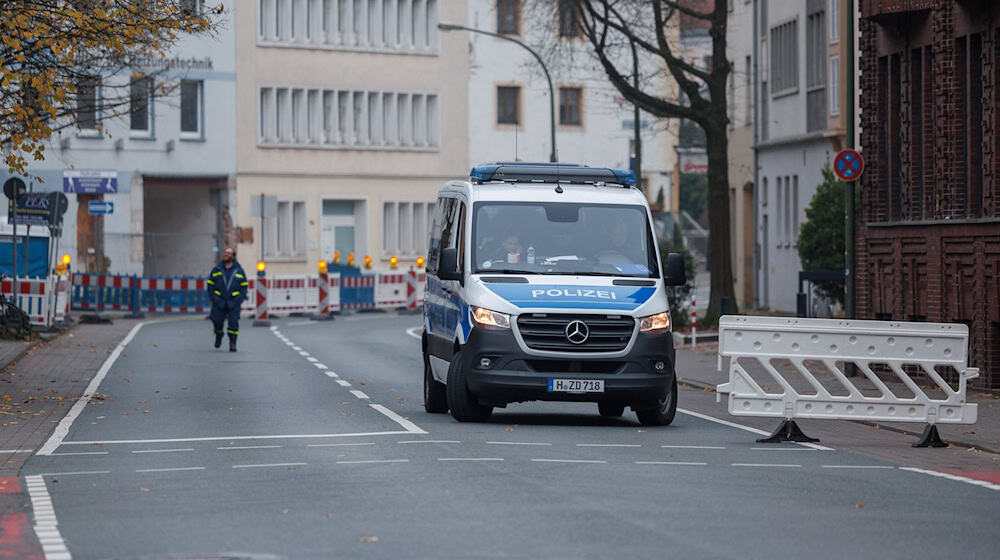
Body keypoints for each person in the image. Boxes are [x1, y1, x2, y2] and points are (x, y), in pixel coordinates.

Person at [207, 247, 248, 352]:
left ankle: (233, 342)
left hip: (233, 302)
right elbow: (210, 286)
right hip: (219, 301)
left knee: (233, 323)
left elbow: (244, 287)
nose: (226, 254)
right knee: (216, 321)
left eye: (229, 253)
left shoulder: (239, 270)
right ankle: (219, 334)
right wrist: (215, 299)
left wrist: (238, 300)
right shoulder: (216, 269)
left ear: (233, 256)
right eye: (225, 252)